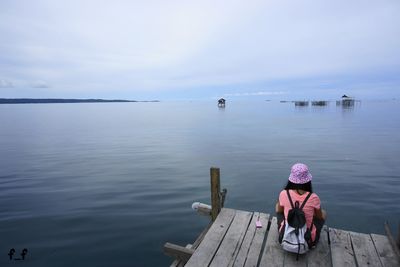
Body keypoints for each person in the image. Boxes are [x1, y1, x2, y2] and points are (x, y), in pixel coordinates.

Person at [275, 163, 327, 247]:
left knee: (279, 208)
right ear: (307, 180)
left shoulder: (284, 193)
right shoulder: (314, 197)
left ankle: (283, 229)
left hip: (284, 238)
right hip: (308, 241)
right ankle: (314, 235)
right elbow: (319, 217)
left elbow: (279, 211)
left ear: (291, 179)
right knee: (323, 213)